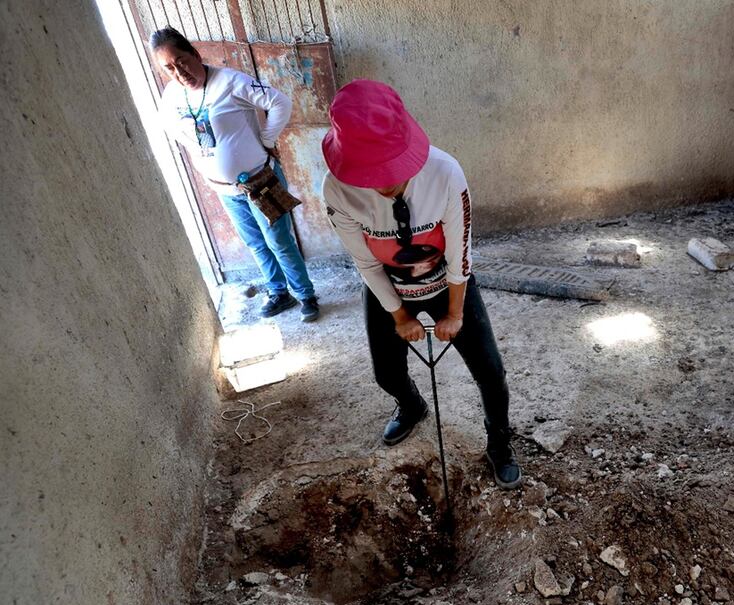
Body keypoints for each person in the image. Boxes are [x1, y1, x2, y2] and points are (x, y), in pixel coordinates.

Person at [320, 80, 521, 490]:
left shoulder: (445, 172)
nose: (383, 184)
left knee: (491, 372)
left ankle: (499, 443)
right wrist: (399, 316)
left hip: (449, 283)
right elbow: (365, 262)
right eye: (371, 174)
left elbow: (460, 251)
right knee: (386, 374)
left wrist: (455, 313)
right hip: (388, 288)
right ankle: (411, 405)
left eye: (390, 170)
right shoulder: (336, 189)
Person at [151, 27, 319, 321]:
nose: (179, 73)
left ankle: (306, 295)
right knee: (255, 243)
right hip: (225, 190)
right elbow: (168, 125)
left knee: (279, 242)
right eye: (169, 68)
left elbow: (280, 102)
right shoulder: (172, 96)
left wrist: (267, 140)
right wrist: (201, 154)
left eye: (182, 61)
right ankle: (279, 292)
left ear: (195, 54)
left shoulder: (230, 81)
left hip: (260, 181)